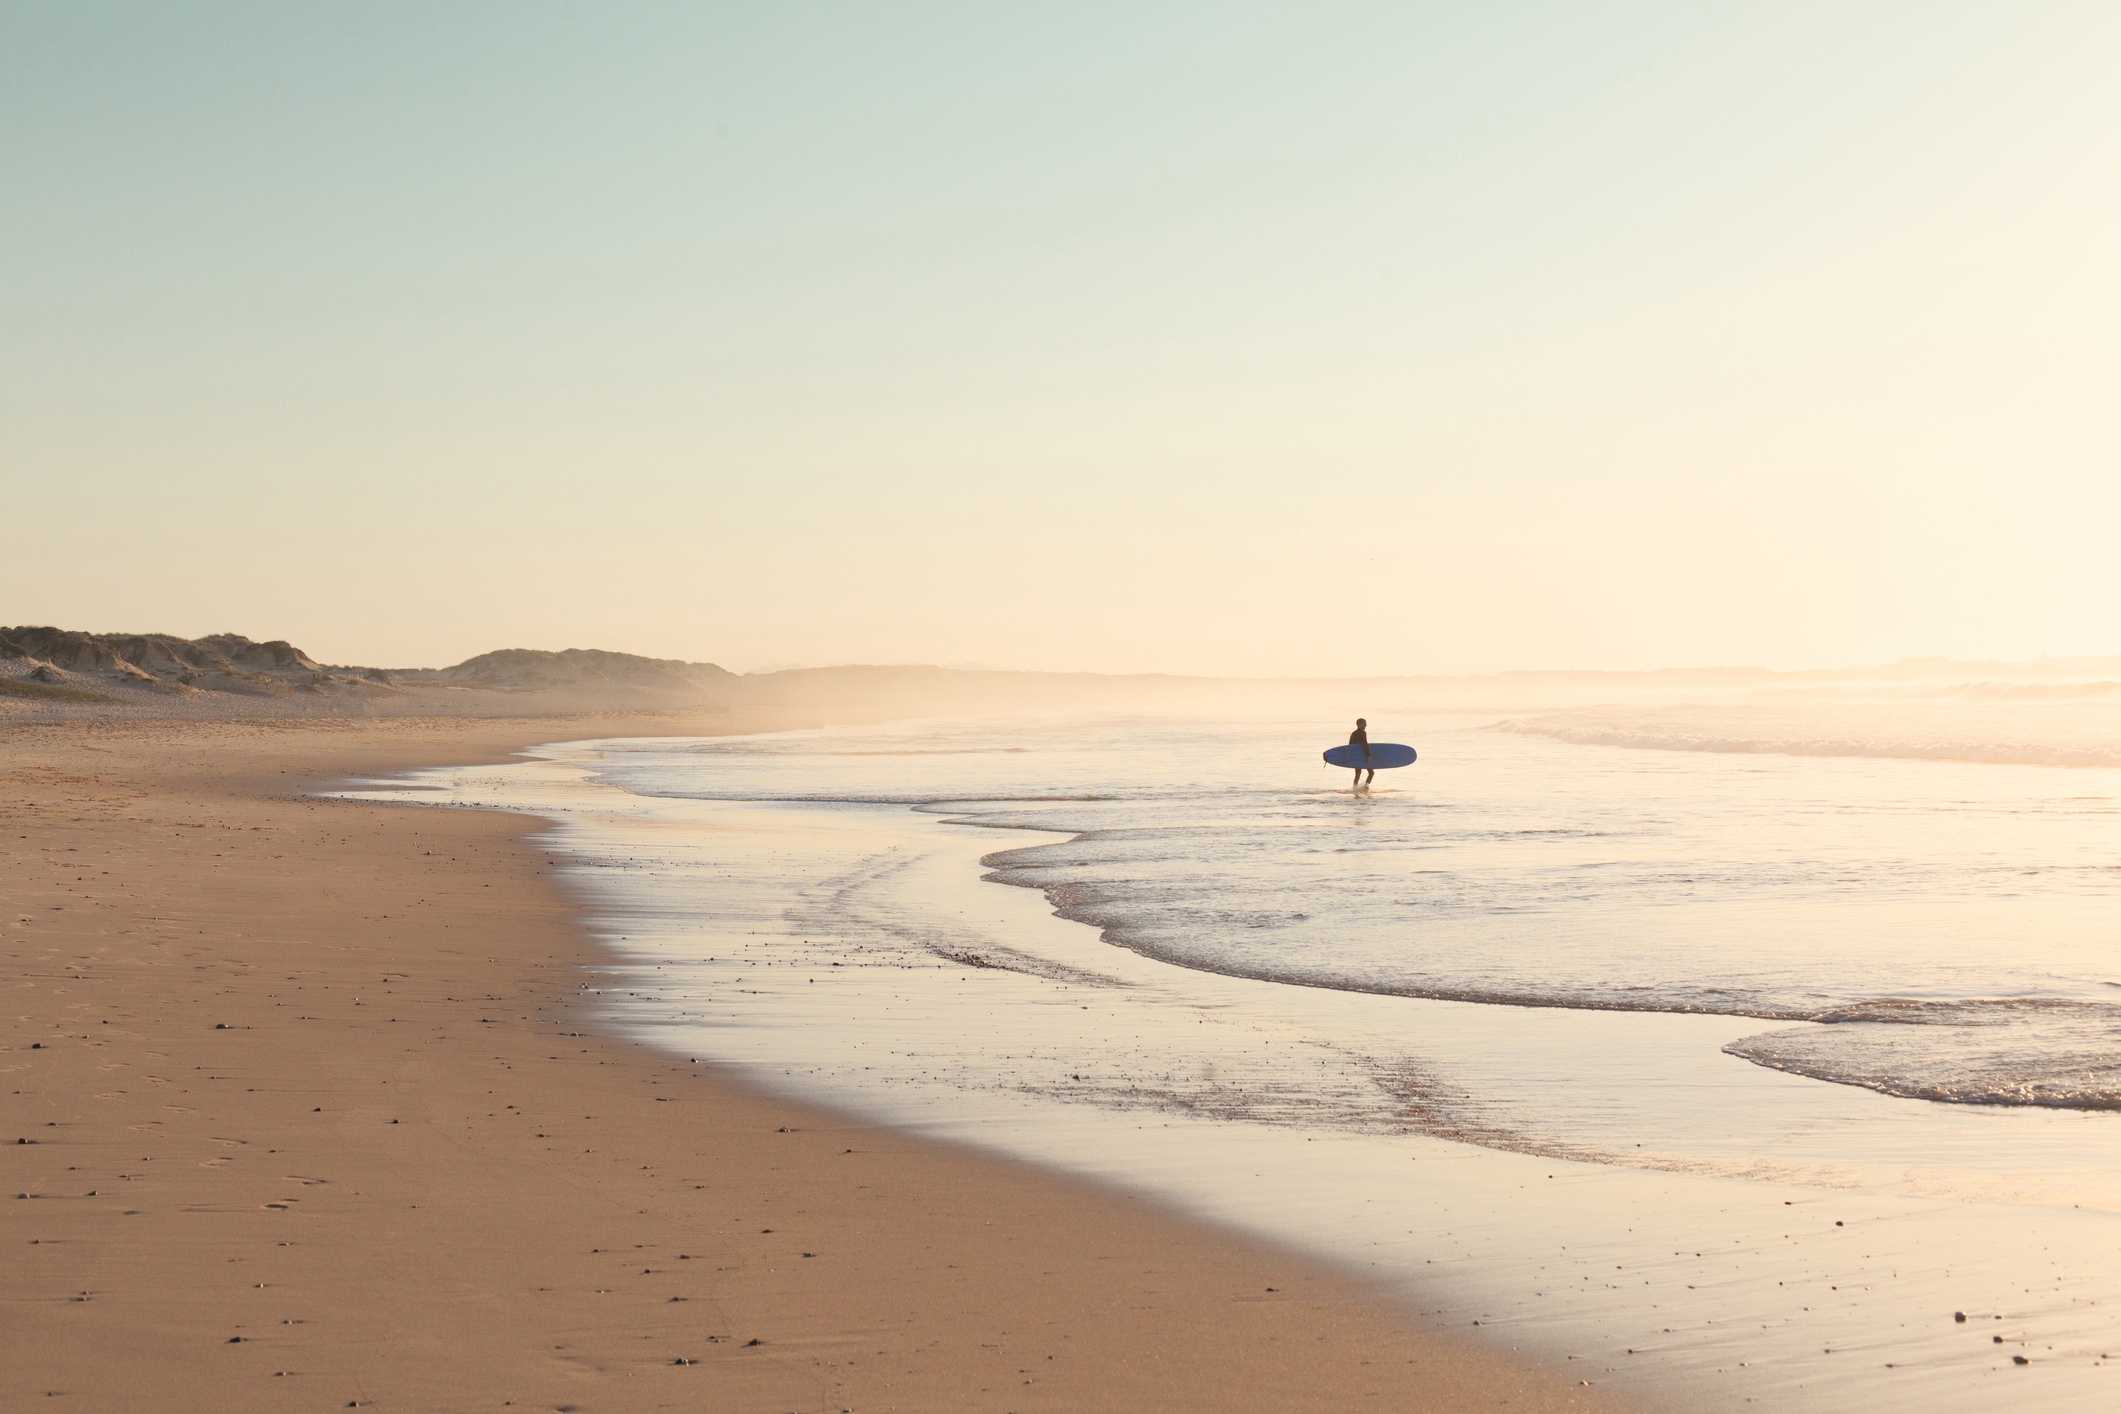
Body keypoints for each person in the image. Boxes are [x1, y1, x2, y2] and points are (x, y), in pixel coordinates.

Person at [1347, 717, 1374, 789]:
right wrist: (1368, 756)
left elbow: (1350, 746)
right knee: (1371, 773)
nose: (1366, 725)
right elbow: (1365, 744)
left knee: (1358, 774)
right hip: (1363, 756)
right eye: (1364, 724)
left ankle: (1355, 789)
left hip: (1356, 757)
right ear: (1359, 724)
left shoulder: (1353, 733)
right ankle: (1365, 787)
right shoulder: (1363, 733)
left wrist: (1351, 757)